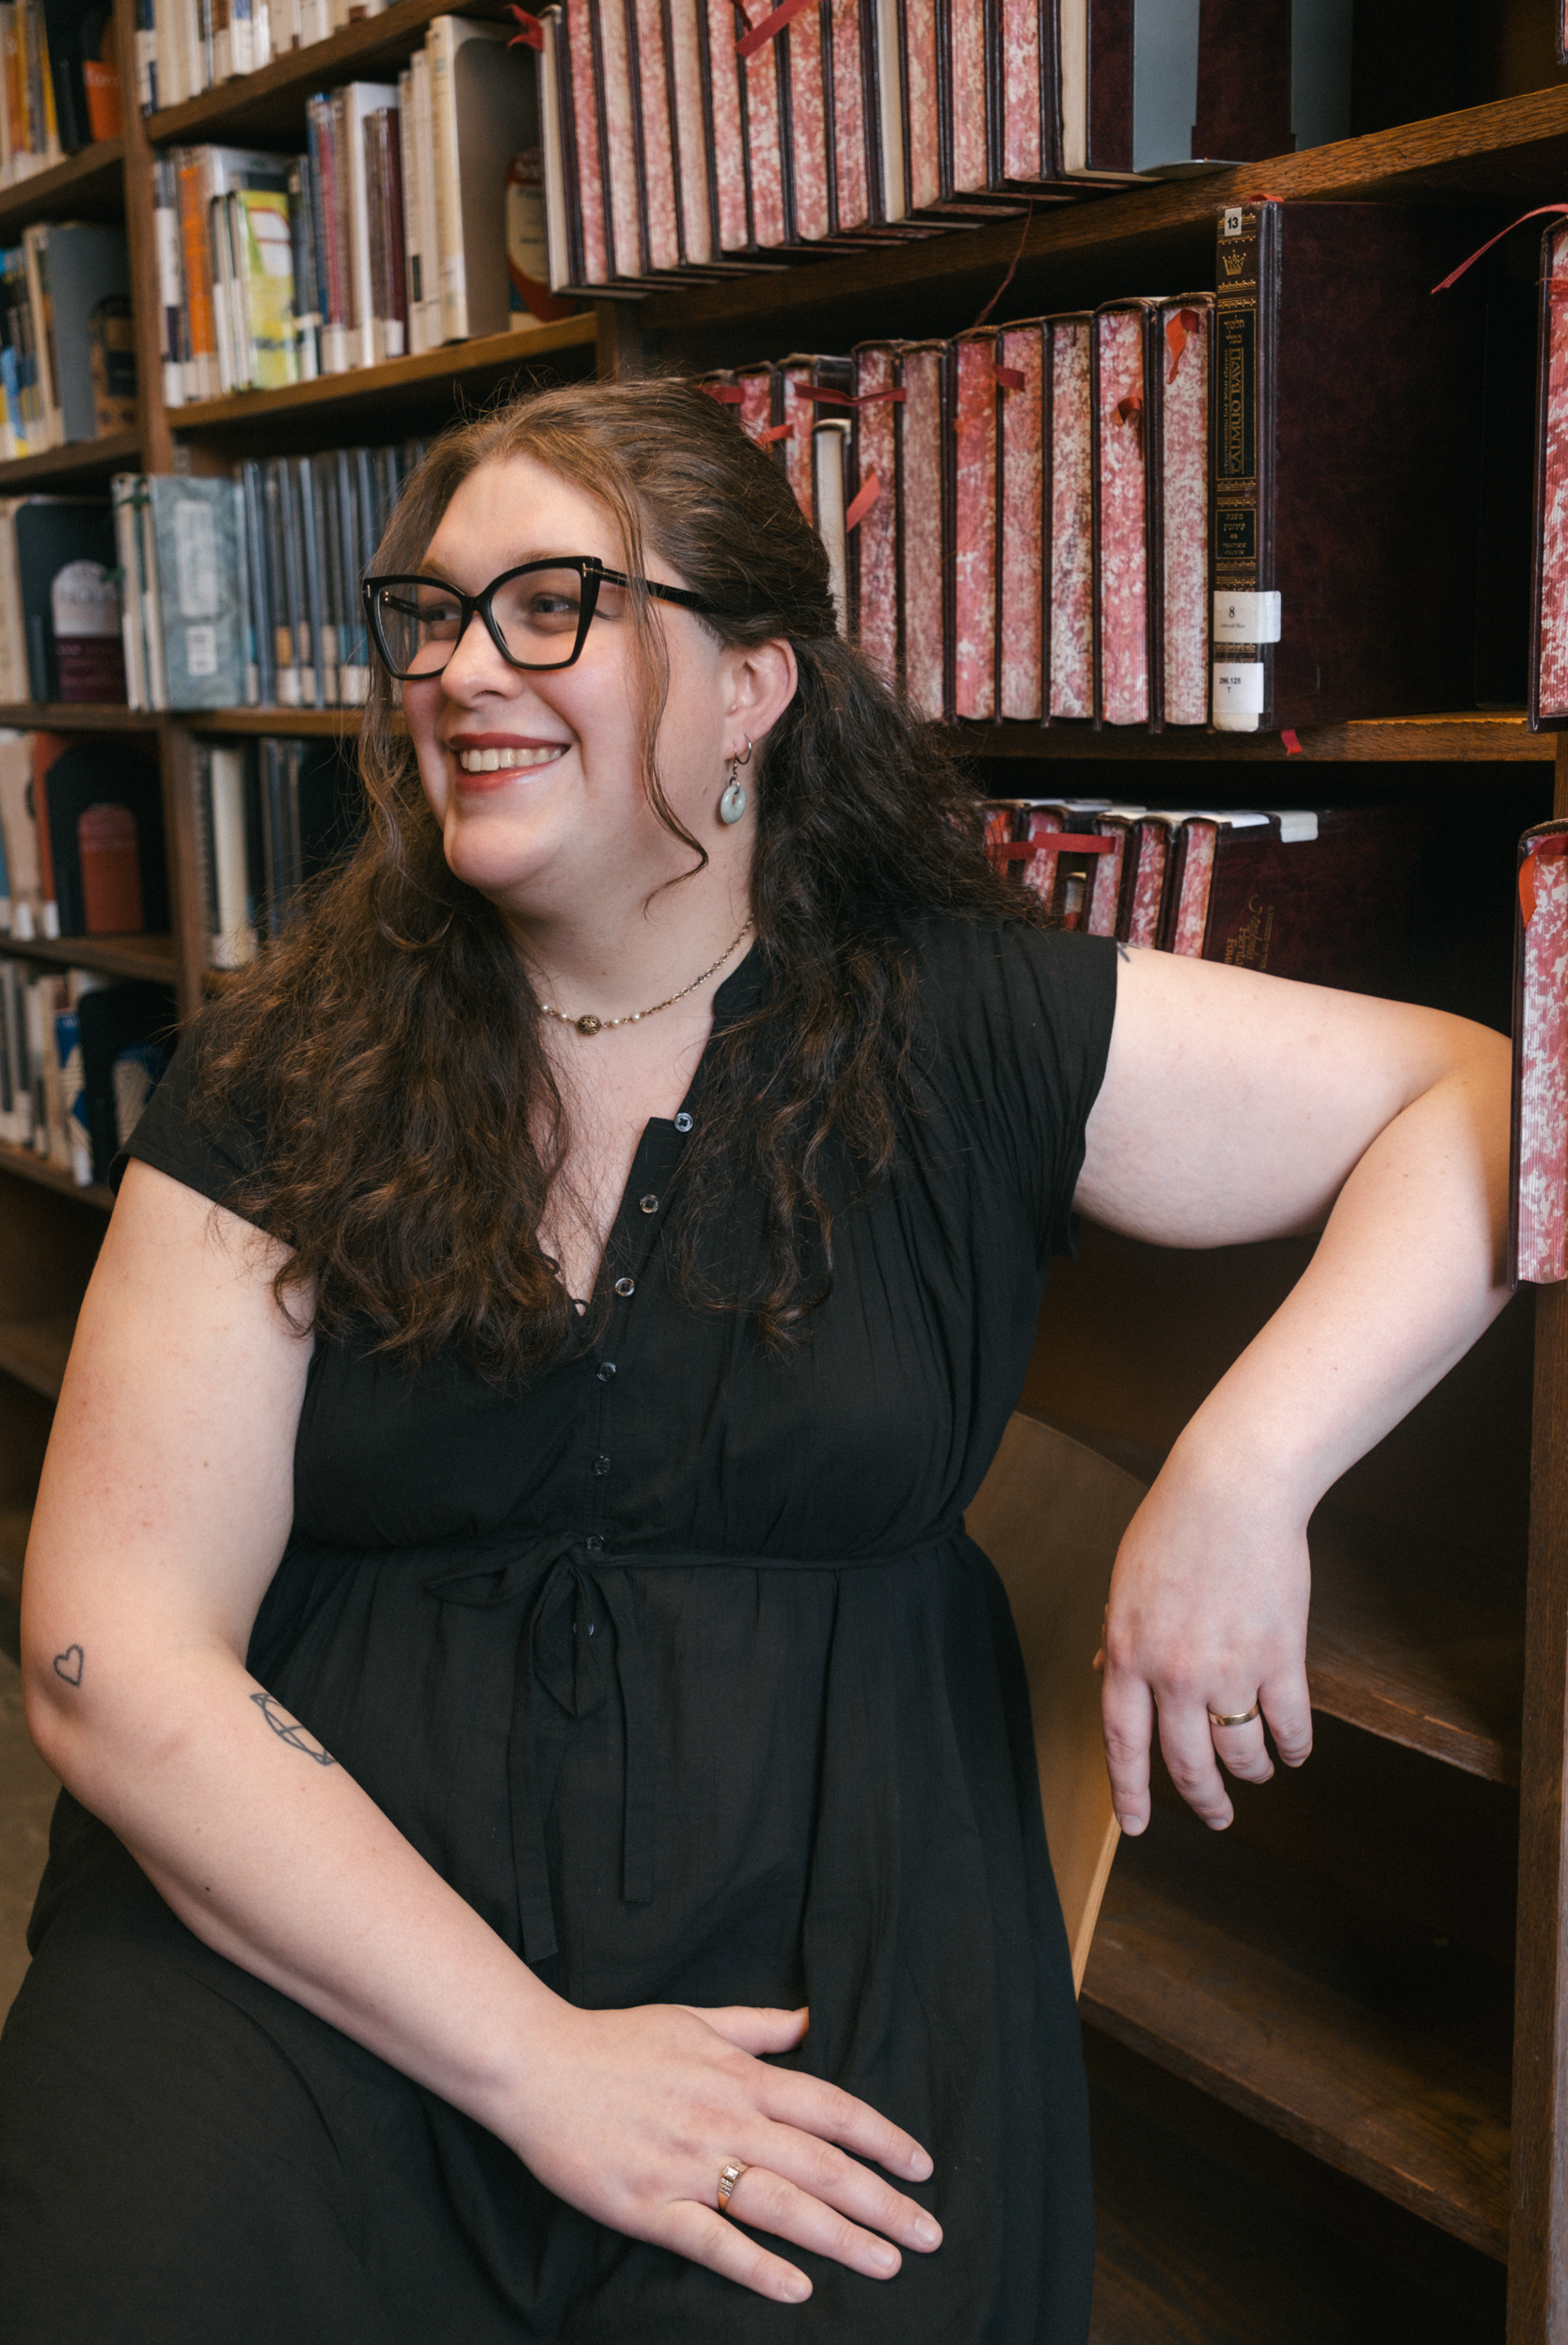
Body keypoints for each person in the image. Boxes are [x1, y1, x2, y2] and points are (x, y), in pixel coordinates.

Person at [0, 378, 1510, 2345]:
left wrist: (1242, 1475)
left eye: (553, 604)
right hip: (316, 1933)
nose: (463, 667)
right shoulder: (288, 1068)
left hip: (820, 1918)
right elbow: (111, 1655)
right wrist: (541, 2061)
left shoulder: (964, 1019)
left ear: (753, 685)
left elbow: (1478, 1099)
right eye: (435, 616)